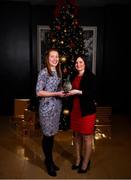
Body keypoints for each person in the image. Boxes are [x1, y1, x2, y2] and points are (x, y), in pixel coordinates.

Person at [36, 48, 65, 177]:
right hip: (46, 108)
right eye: (52, 57)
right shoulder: (44, 72)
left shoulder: (58, 72)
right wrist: (56, 93)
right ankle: (48, 162)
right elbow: (39, 92)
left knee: (52, 135)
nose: (55, 59)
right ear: (47, 58)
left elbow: (57, 88)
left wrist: (63, 92)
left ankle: (50, 160)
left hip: (56, 108)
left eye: (57, 57)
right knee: (47, 136)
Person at [67, 54, 97, 173]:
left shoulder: (91, 77)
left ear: (85, 63)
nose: (78, 64)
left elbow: (93, 94)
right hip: (75, 110)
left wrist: (78, 91)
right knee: (77, 137)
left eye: (80, 62)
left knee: (87, 138)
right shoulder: (73, 75)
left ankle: (86, 162)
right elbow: (70, 89)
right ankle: (78, 159)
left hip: (87, 111)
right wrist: (68, 93)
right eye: (76, 63)